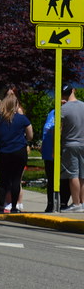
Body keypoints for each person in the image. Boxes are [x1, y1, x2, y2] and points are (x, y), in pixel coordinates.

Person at [0, 93, 33, 213]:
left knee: (3, 179)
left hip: (3, 151)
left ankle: (1, 206)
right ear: (15, 105)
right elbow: (30, 135)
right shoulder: (22, 119)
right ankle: (14, 206)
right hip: (19, 151)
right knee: (16, 179)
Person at [60, 85, 84, 213]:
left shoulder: (63, 109)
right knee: (82, 175)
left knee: (73, 174)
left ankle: (76, 203)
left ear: (63, 95)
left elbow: (58, 128)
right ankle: (82, 202)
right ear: (73, 90)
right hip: (83, 143)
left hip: (70, 144)